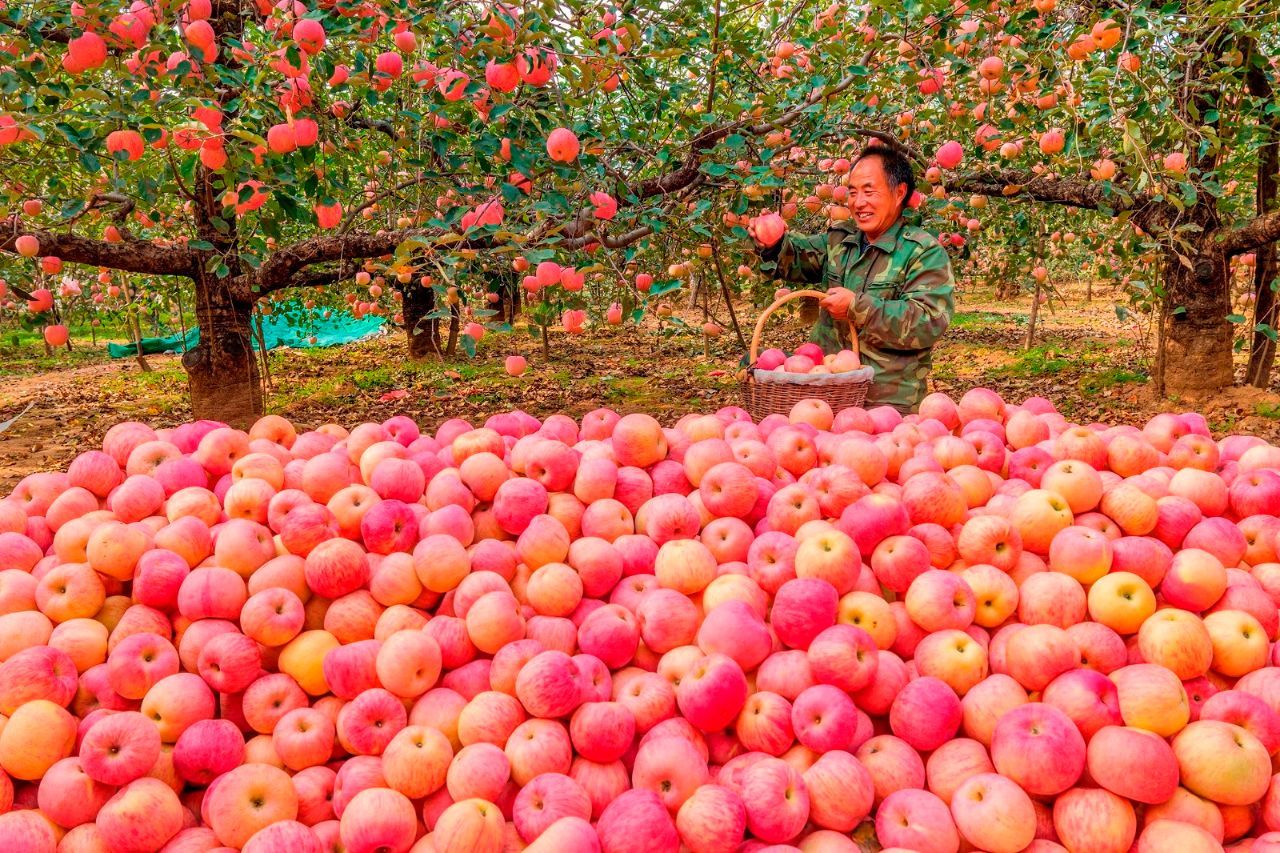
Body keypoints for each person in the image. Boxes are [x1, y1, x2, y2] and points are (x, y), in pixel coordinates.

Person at [749, 146, 955, 414]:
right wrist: (772, 244)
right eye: (853, 192)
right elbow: (795, 259)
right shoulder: (840, 241)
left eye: (869, 192)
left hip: (886, 406)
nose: (858, 202)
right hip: (826, 397)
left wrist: (857, 308)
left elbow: (927, 322)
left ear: (899, 193)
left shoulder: (922, 252)